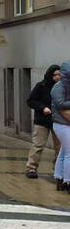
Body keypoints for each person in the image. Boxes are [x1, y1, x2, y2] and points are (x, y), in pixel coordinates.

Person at [26, 64, 62, 180]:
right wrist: (42, 108)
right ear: (50, 75)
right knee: (38, 145)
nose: (57, 77)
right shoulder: (41, 85)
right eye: (55, 75)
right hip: (42, 121)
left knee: (59, 147)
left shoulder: (63, 87)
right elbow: (31, 100)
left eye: (59, 74)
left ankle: (57, 170)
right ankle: (31, 168)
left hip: (58, 121)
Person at [51, 61, 70, 190]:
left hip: (64, 123)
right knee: (69, 153)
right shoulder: (59, 87)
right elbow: (60, 104)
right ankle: (68, 181)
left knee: (64, 152)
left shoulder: (65, 85)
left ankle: (59, 177)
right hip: (61, 124)